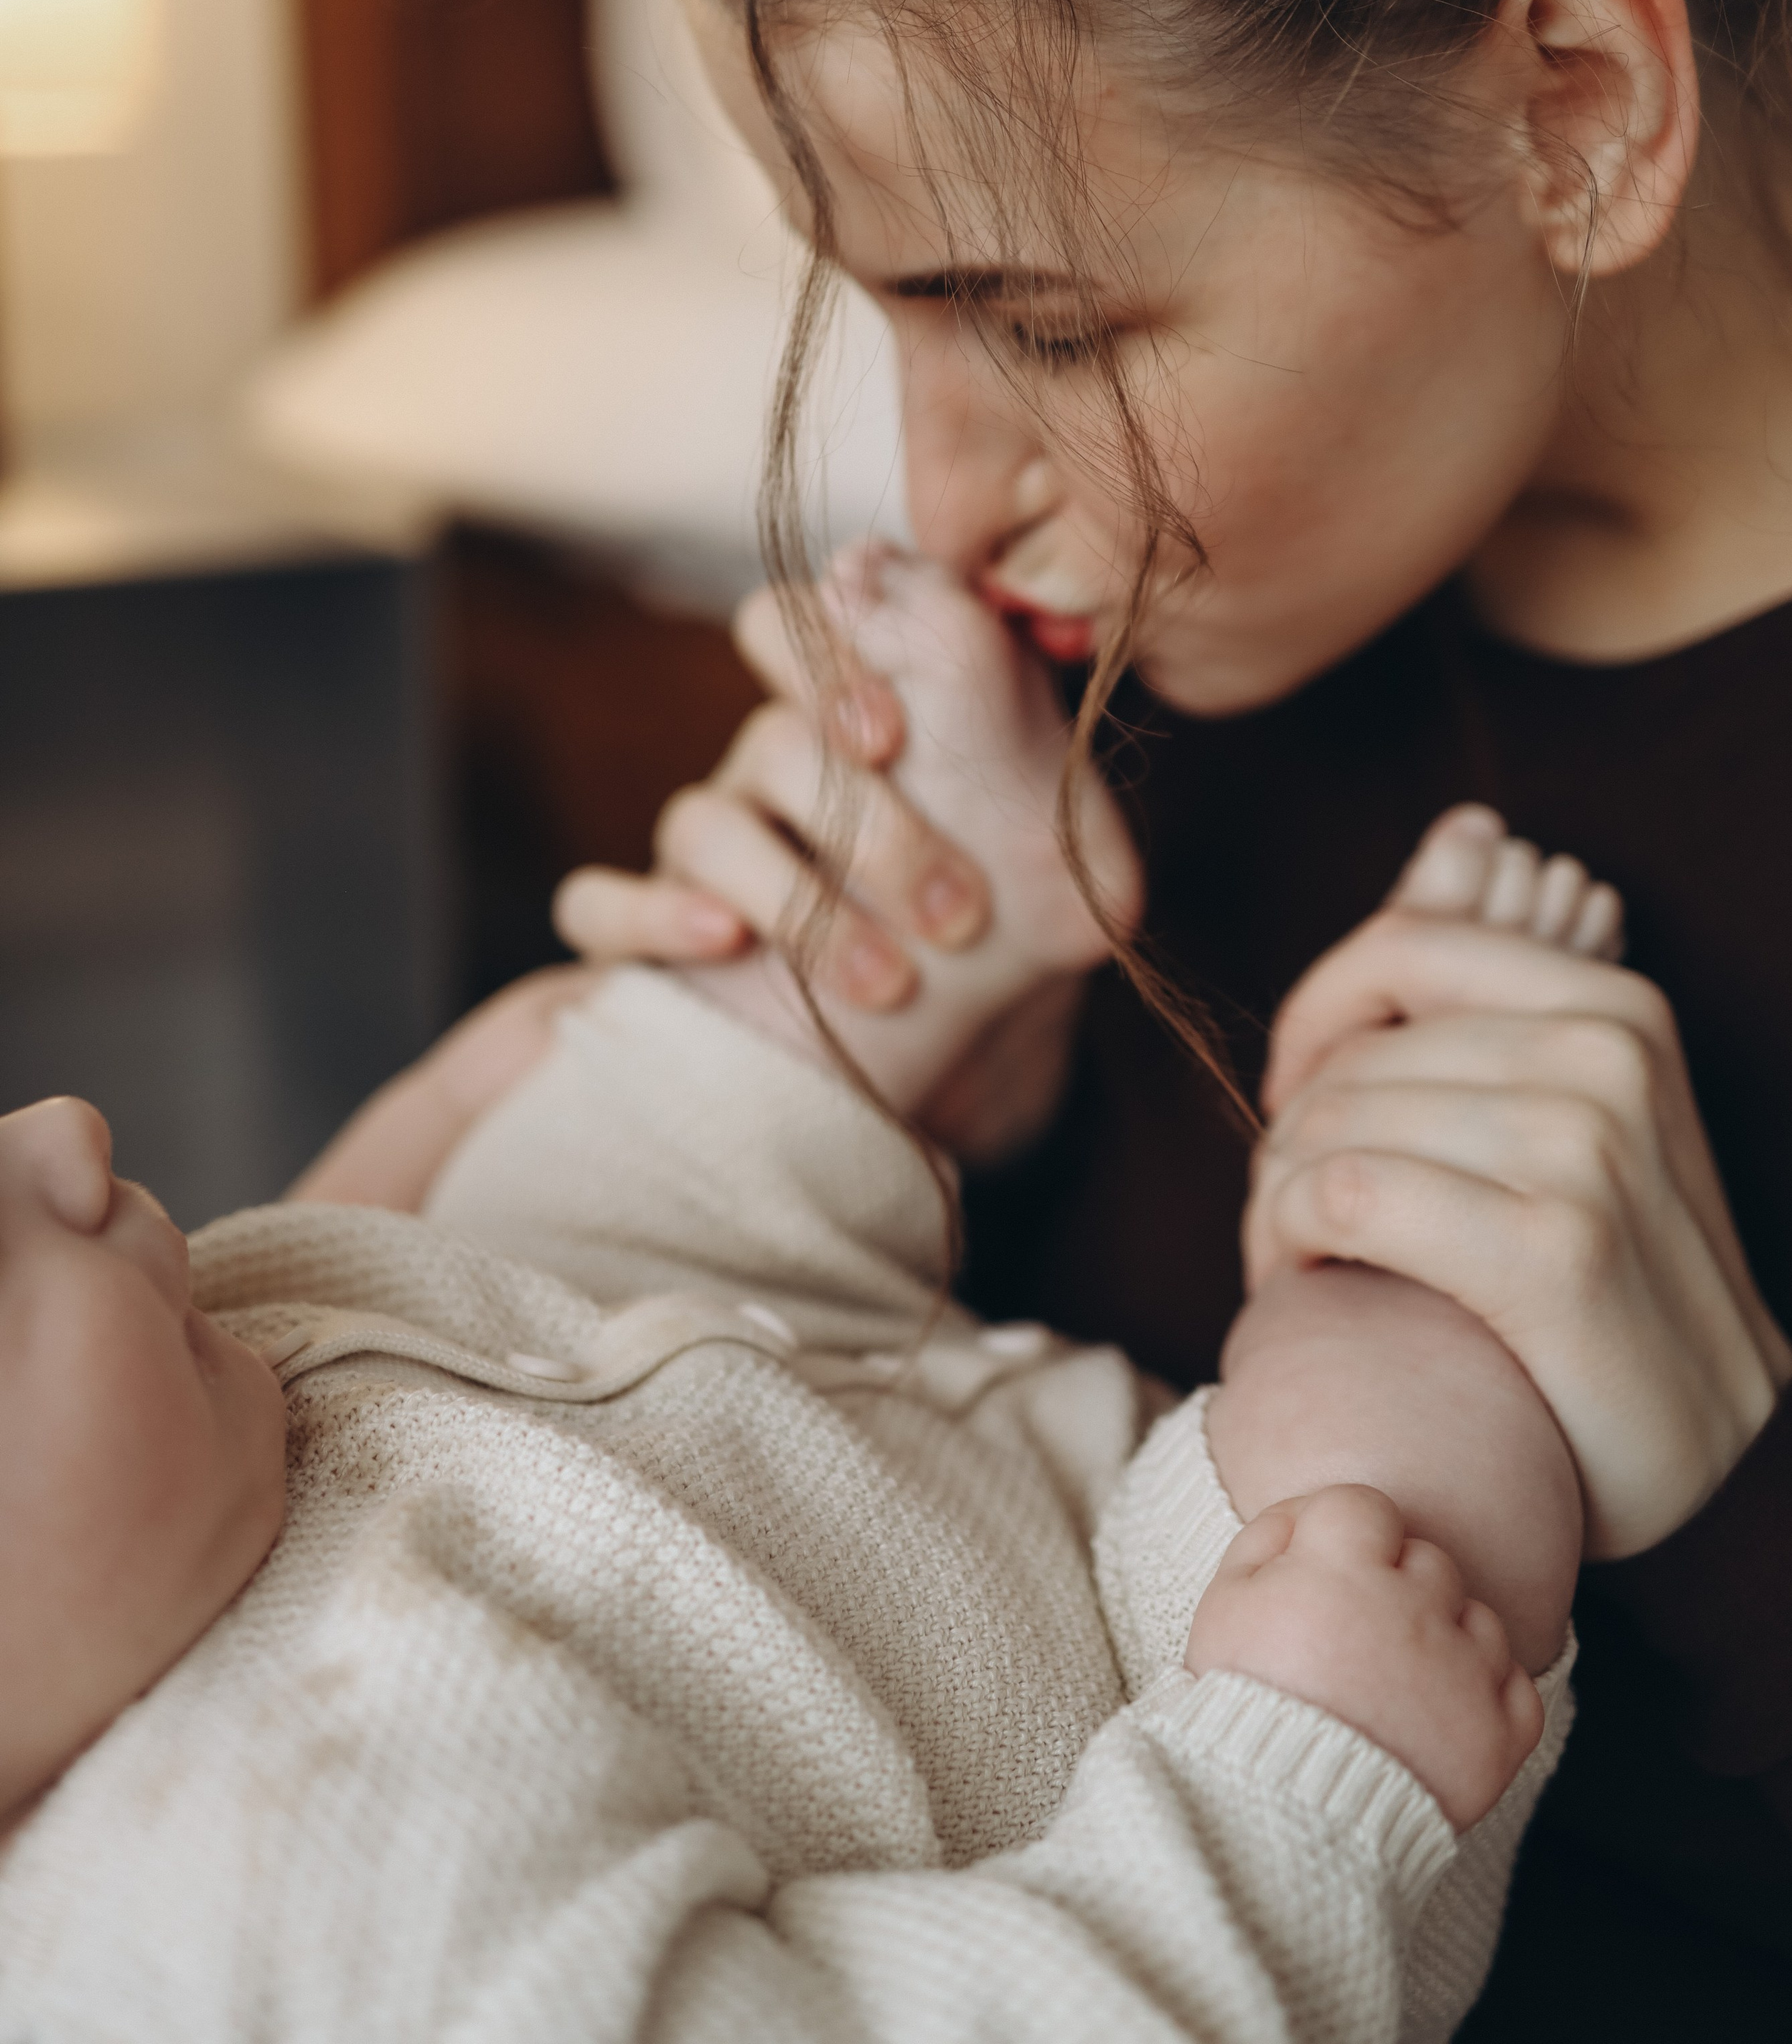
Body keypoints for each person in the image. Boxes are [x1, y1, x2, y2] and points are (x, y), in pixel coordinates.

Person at [519, 0, 1792, 2029]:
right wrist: (850, 1142)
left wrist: (1737, 1500)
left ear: (1576, 102)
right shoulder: (1107, 704)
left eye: (1060, 328)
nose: (948, 484)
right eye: (879, 313)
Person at [0, 549, 1592, 2043]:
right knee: (1398, 1440)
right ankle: (1398, 1181)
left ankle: (930, 898)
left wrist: (498, 1065)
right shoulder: (299, 1930)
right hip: (1145, 1695)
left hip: (678, 1374)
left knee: (590, 1133)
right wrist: (1302, 1767)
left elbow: (368, 1223)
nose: (62, 1143)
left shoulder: (177, 1430)